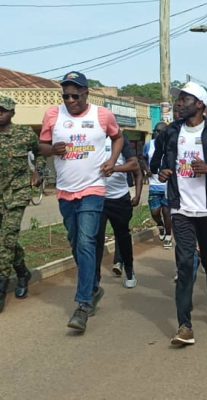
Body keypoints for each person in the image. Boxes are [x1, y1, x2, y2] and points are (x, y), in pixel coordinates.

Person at [39, 71, 124, 333]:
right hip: (65, 191)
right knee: (76, 242)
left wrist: (112, 161)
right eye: (66, 96)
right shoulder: (53, 115)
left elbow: (118, 137)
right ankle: (93, 287)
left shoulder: (102, 115)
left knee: (87, 241)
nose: (70, 100)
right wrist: (52, 149)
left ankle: (83, 304)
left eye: (75, 95)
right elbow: (41, 146)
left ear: (86, 93)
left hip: (93, 188)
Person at [159, 81, 207, 346]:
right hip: (181, 207)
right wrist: (163, 172)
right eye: (179, 99)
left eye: (185, 99)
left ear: (200, 104)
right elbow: (160, 162)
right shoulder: (172, 131)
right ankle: (185, 326)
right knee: (184, 265)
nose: (179, 103)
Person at [0, 96, 39, 312]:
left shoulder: (24, 134)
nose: (0, 114)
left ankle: (1, 285)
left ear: (12, 113)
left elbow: (40, 152)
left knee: (7, 239)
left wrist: (38, 171)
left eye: (3, 110)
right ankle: (23, 272)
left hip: (17, 194)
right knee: (8, 239)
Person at [95, 136, 142, 289]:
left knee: (123, 237)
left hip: (119, 198)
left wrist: (114, 168)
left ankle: (129, 271)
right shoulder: (92, 138)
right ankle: (94, 278)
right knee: (96, 239)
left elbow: (134, 165)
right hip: (97, 198)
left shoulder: (121, 141)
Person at [145, 122, 173, 249]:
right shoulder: (149, 145)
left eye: (159, 131)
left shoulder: (171, 144)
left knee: (167, 212)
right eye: (155, 131)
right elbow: (142, 158)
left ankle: (168, 237)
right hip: (154, 185)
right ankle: (160, 225)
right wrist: (147, 169)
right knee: (155, 212)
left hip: (167, 185)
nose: (156, 133)